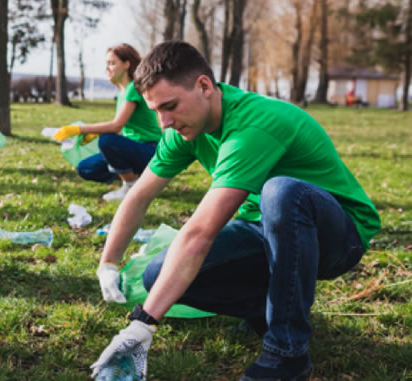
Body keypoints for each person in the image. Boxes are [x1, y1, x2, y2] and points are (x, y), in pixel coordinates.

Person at [90, 41, 380, 380]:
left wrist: (142, 323)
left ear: (203, 86)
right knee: (157, 276)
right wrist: (108, 262)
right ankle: (268, 309)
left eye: (170, 106)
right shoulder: (183, 129)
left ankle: (287, 353)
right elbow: (138, 196)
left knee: (282, 192)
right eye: (155, 110)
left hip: (338, 237)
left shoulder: (254, 124)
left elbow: (201, 231)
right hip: (264, 227)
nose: (164, 122)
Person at [53, 44, 161, 201]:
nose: (107, 68)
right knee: (86, 168)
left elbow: (117, 125)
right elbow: (119, 128)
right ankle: (138, 178)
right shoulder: (123, 92)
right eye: (106, 64)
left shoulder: (133, 88)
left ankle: (130, 187)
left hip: (149, 149)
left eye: (112, 63)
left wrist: (79, 129)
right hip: (133, 148)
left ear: (127, 64)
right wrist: (92, 134)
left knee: (107, 141)